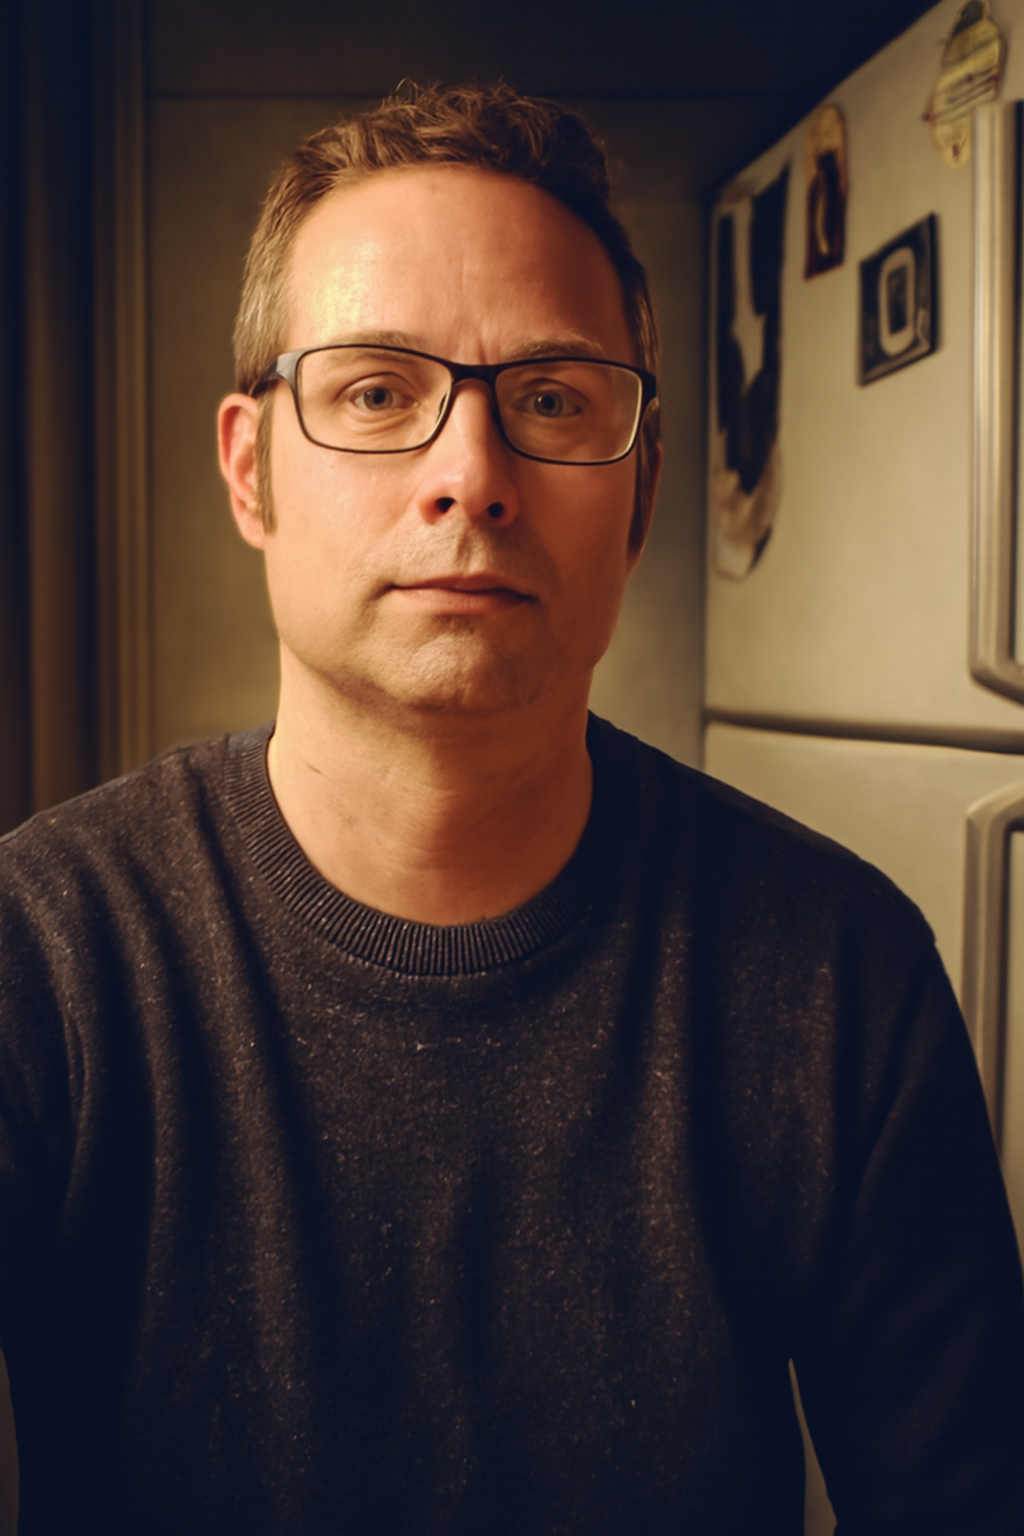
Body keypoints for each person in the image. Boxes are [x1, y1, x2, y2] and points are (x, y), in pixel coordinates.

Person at [0, 82, 1021, 1536]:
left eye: (551, 400)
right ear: (250, 468)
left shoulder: (840, 976)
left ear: (647, 485)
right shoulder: (41, 961)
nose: (469, 477)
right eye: (373, 392)